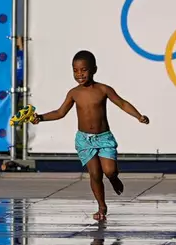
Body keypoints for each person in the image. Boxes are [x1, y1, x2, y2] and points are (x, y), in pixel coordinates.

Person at [30, 50, 149, 220]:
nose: (79, 74)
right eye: (75, 70)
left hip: (104, 138)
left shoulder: (103, 90)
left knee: (109, 170)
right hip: (84, 139)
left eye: (83, 70)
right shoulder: (74, 93)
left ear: (94, 69)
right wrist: (40, 118)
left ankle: (113, 178)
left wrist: (138, 116)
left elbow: (122, 103)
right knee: (95, 174)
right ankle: (101, 206)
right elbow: (60, 112)